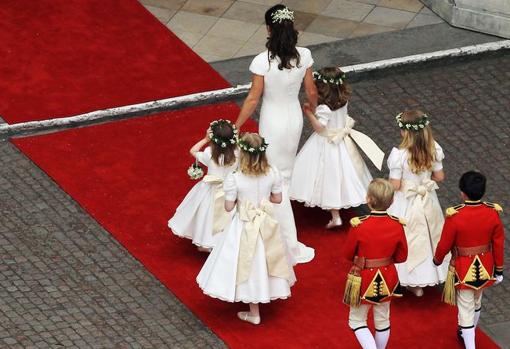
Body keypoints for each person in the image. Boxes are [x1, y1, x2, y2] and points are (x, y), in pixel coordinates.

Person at [234, 4, 317, 264]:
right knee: (285, 175)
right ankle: (283, 235)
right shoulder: (303, 55)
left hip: (271, 120)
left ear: (269, 29)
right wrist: (311, 109)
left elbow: (252, 98)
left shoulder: (262, 61)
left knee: (272, 177)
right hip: (293, 119)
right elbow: (311, 91)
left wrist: (236, 126)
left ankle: (280, 239)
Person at [196, 133, 296, 325]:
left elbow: (228, 206)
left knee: (248, 262)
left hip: (244, 223)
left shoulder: (235, 177)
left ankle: (254, 312)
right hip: (266, 220)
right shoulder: (273, 172)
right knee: (266, 258)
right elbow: (277, 199)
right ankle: (267, 292)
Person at [290, 67, 383, 229]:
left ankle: (336, 217)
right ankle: (353, 207)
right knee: (346, 174)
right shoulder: (343, 100)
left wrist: (309, 114)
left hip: (327, 142)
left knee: (329, 179)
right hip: (341, 142)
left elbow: (320, 127)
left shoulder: (324, 107)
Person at [434, 171, 504, 349]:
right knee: (477, 301)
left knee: (465, 309)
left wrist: (437, 260)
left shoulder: (455, 216)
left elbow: (445, 244)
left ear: (462, 193)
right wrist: (499, 270)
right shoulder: (492, 213)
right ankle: (468, 330)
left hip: (463, 269)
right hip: (486, 267)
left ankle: (469, 342)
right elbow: (498, 244)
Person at [387, 110, 448, 296]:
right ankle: (429, 275)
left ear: (405, 132)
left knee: (408, 237)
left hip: (406, 201)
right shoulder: (433, 149)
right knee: (429, 235)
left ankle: (412, 281)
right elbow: (440, 176)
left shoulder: (399, 156)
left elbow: (395, 185)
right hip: (427, 198)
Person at [343, 179, 407, 349]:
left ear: (368, 199)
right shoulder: (397, 225)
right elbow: (402, 257)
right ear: (392, 201)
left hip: (363, 278)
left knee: (356, 321)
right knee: (383, 320)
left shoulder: (360, 226)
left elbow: (348, 254)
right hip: (387, 277)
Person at [168, 119, 238, 251]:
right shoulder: (237, 154)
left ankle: (206, 239)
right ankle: (225, 242)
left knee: (207, 214)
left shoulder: (209, 153)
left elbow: (193, 151)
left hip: (210, 189)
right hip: (231, 190)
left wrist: (205, 139)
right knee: (227, 214)